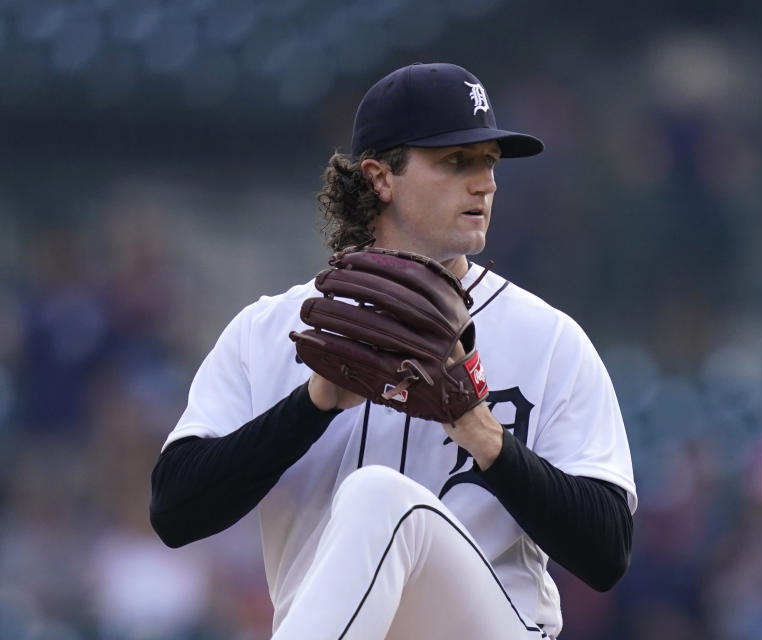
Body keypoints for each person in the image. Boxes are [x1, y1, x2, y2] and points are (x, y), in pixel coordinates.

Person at [149, 62, 637, 640]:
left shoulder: (549, 339)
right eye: (456, 162)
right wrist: (315, 402)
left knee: (379, 496)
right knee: (375, 498)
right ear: (381, 177)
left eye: (489, 162)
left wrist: (479, 429)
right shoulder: (271, 331)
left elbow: (607, 553)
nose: (485, 182)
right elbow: (175, 512)